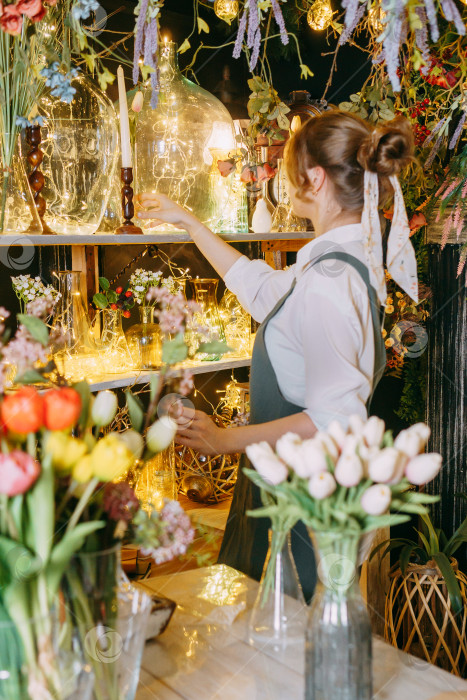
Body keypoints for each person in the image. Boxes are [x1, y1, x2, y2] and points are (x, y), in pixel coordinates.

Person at [136, 110, 419, 600]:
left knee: (294, 640)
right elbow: (263, 290)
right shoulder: (338, 264)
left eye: (290, 172)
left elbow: (336, 419)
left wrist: (228, 440)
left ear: (315, 179)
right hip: (303, 492)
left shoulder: (330, 281)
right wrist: (189, 221)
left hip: (312, 504)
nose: (284, 183)